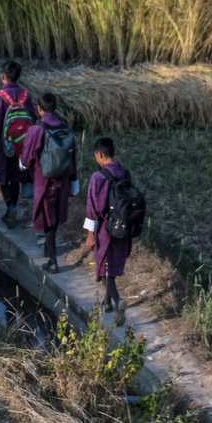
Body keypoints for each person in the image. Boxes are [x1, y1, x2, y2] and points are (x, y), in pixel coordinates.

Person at [17, 92, 77, 272]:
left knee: (48, 220)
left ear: (39, 108)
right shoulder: (66, 129)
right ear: (56, 108)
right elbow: (73, 157)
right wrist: (75, 181)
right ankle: (48, 250)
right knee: (55, 217)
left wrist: (22, 163)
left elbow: (27, 159)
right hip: (64, 180)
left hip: (45, 181)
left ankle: (52, 261)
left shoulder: (36, 130)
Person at [83, 137, 134, 326]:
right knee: (111, 265)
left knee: (104, 267)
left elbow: (92, 208)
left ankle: (118, 301)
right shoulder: (126, 174)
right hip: (123, 227)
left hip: (105, 228)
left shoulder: (98, 177)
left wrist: (90, 234)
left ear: (100, 155)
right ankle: (107, 302)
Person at [0, 61, 37, 227]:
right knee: (16, 178)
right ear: (19, 76)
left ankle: (10, 207)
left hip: (6, 145)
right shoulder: (26, 95)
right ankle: (12, 208)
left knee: (3, 176)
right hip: (23, 145)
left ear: (3, 76)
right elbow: (33, 118)